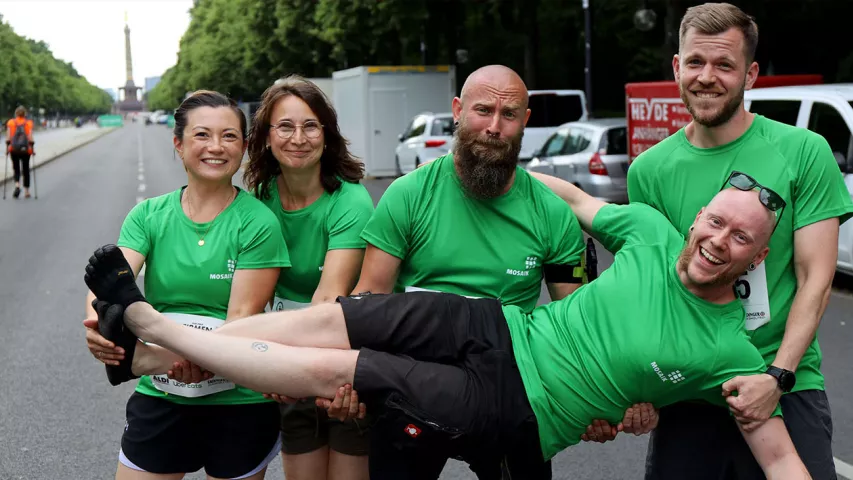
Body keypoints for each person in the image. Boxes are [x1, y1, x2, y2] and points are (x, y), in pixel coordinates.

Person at [84, 170, 817, 480]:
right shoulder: (652, 233)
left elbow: (780, 460)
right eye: (716, 220)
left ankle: (145, 321)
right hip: (492, 327)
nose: (719, 240)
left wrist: (637, 403)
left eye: (741, 238)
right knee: (338, 321)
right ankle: (146, 361)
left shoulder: (730, 348)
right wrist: (490, 164)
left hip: (520, 410)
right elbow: (565, 195)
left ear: (757, 254)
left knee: (348, 372)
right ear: (698, 218)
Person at [625, 3, 853, 479]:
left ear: (750, 74)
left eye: (724, 65)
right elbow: (653, 292)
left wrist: (777, 376)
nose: (707, 77)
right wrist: (636, 385)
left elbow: (817, 276)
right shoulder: (648, 172)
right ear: (677, 66)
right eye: (696, 63)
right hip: (690, 388)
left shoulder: (803, 152)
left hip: (786, 385)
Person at [348, 64, 587, 479]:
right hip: (415, 378)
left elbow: (579, 321)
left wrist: (603, 402)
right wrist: (351, 381)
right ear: (457, 110)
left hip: (509, 382)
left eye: (509, 114)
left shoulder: (552, 214)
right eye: (483, 110)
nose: (495, 126)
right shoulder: (408, 195)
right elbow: (369, 300)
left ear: (525, 122)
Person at [82, 90, 291, 480]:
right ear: (178, 144)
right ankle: (142, 357)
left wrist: (167, 356)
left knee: (230, 345)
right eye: (202, 135)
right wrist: (98, 330)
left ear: (244, 147)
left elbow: (241, 322)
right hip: (163, 394)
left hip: (239, 398)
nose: (216, 146)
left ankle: (142, 356)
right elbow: (109, 280)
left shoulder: (258, 222)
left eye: (229, 136)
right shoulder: (148, 214)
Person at [241, 75, 375, 480]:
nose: (298, 138)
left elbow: (328, 300)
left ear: (327, 135)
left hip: (349, 361)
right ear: (265, 137)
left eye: (310, 125)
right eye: (285, 126)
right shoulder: (259, 197)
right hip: (292, 354)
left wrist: (280, 365)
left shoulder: (350, 199)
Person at [6, 106, 35, 199]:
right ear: (24, 114)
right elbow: (30, 137)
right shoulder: (28, 123)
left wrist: (7, 149)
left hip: (14, 149)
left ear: (16, 113)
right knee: (26, 169)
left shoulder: (11, 122)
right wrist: (32, 149)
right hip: (25, 150)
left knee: (16, 168)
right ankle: (26, 191)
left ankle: (17, 185)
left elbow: (8, 138)